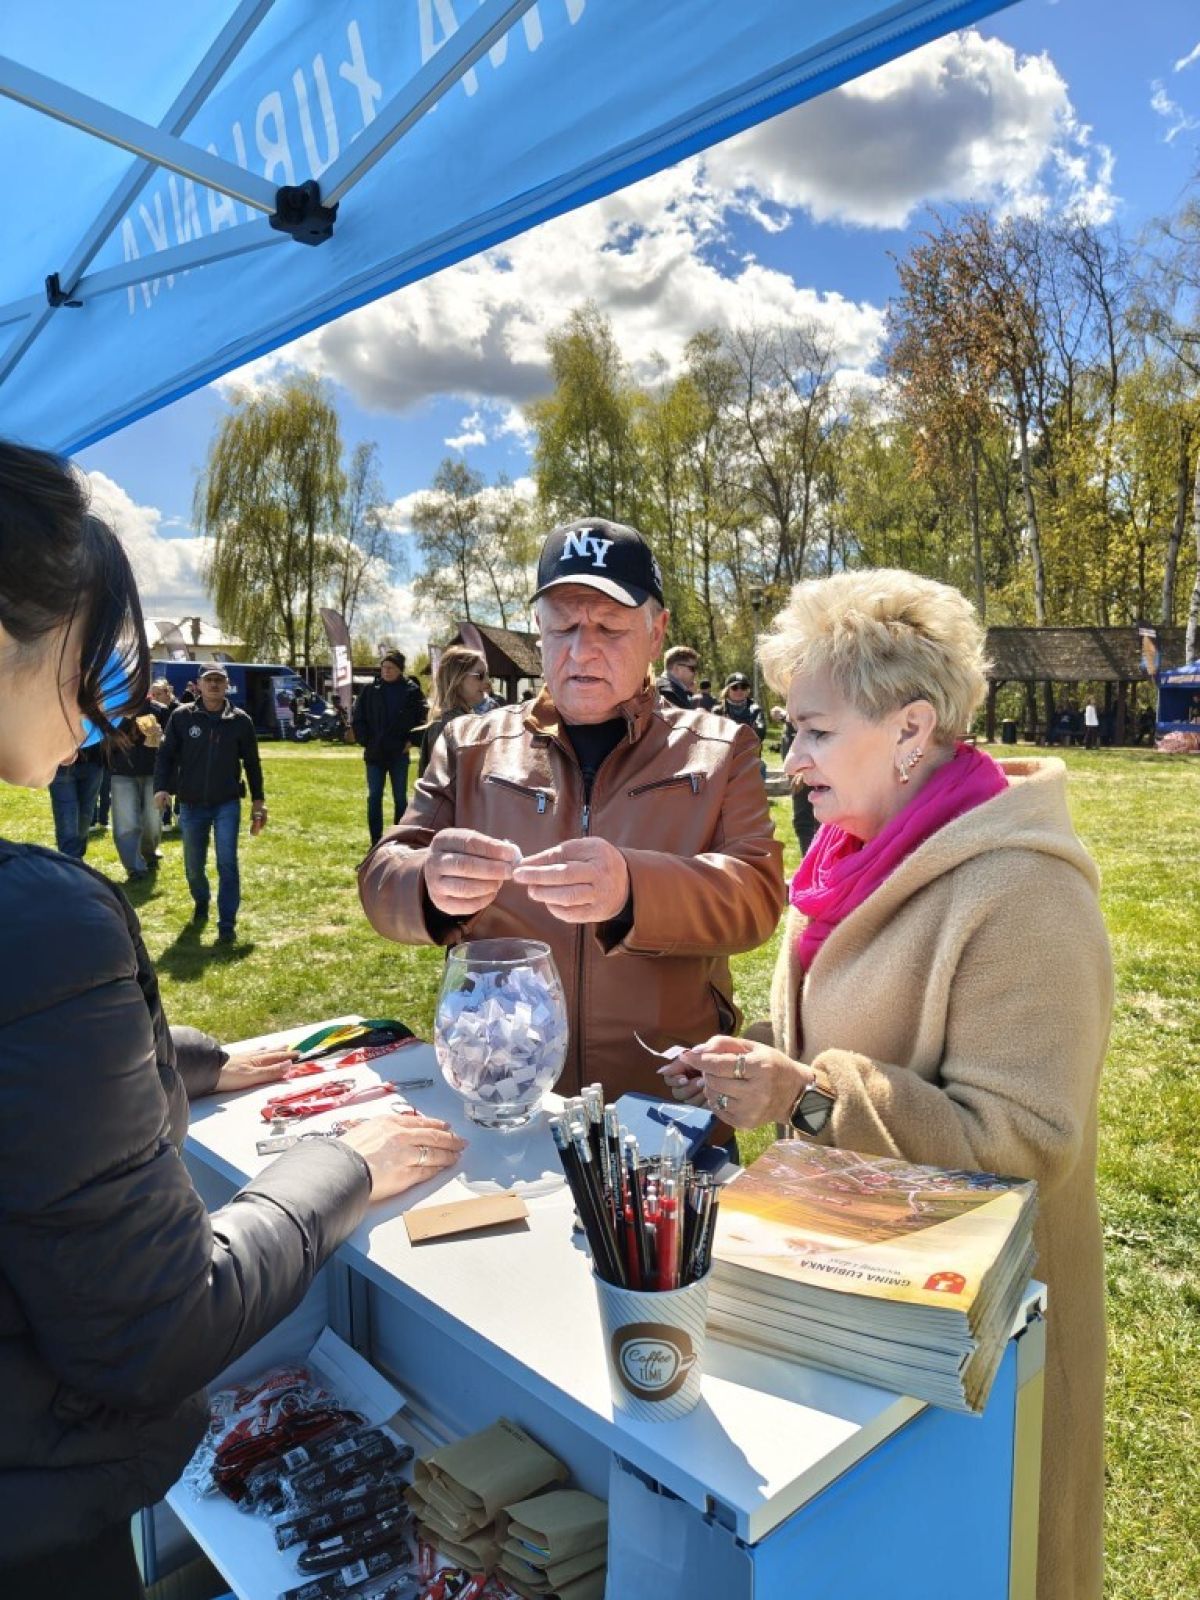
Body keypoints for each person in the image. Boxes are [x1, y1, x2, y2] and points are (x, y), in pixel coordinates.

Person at [0, 438, 465, 1599]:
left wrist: (186, 1062)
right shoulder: (43, 924)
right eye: (90, 652)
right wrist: (344, 1164)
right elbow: (157, 1326)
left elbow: (30, 1083)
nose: (102, 703)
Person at [669, 569, 1112, 1600]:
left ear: (912, 728)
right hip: (865, 1295)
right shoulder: (852, 851)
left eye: (814, 731)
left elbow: (1025, 1139)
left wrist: (807, 1094)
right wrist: (756, 1055)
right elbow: (844, 1020)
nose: (792, 760)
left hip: (986, 1340)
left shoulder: (1025, 890)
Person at [359, 516, 785, 1100]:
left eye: (609, 627)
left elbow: (757, 898)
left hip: (662, 1098)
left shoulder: (719, 748)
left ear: (656, 634)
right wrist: (427, 885)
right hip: (505, 1089)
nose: (582, 650)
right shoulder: (469, 745)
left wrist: (632, 890)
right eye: (563, 626)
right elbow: (380, 881)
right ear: (539, 631)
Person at [153, 662, 265, 944]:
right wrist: (161, 788)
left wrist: (258, 800)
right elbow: (165, 756)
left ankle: (227, 923)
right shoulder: (181, 717)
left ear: (227, 685)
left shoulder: (240, 720)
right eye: (209, 680)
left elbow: (252, 763)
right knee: (194, 866)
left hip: (227, 802)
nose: (214, 684)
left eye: (219, 680)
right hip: (190, 803)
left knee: (227, 863)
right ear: (198, 685)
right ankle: (201, 900)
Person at [352, 650, 428, 846]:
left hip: (399, 754)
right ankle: (375, 840)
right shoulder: (370, 690)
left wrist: (412, 741)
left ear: (400, 670)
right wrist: (365, 740)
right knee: (374, 797)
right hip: (375, 753)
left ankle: (398, 839)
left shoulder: (412, 692)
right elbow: (358, 717)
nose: (386, 671)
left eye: (391, 668)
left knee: (400, 798)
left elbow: (423, 718)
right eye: (383, 667)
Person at [109, 690, 170, 879]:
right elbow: (104, 738)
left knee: (152, 820)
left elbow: (171, 742)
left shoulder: (159, 709)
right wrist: (122, 723)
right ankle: (134, 867)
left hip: (153, 771)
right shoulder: (114, 710)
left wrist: (160, 736)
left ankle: (149, 853)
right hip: (122, 771)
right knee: (126, 822)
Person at [418, 646, 492, 776]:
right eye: (480, 676)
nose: (487, 682)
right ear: (457, 679)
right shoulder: (449, 725)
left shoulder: (461, 719)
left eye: (487, 675)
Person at [47, 742, 107, 857]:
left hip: (94, 761)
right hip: (61, 764)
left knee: (85, 818)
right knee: (66, 819)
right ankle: (71, 862)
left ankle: (75, 860)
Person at [718, 672, 767, 744]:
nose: (739, 691)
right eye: (734, 687)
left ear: (747, 691)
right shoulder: (718, 710)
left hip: (747, 749)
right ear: (727, 690)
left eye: (743, 687)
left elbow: (760, 734)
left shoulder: (756, 710)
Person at [656, 644, 700, 709]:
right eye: (692, 668)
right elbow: (687, 713)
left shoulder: (660, 687)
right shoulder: (668, 692)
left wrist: (690, 694)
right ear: (676, 669)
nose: (695, 673)